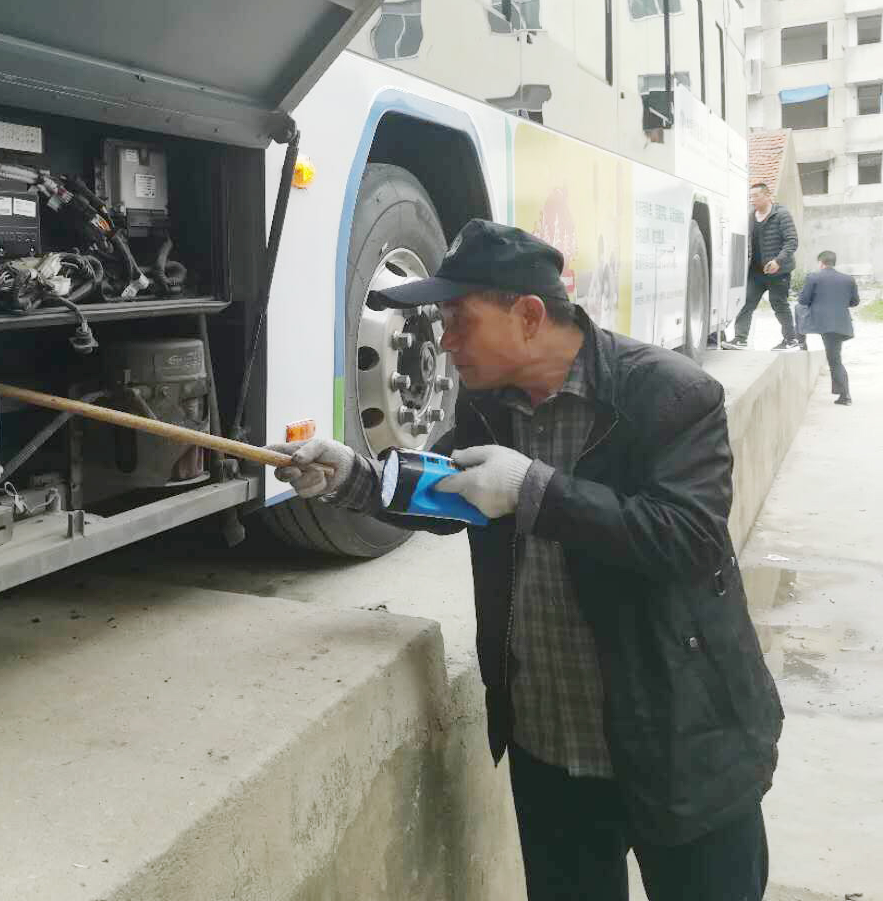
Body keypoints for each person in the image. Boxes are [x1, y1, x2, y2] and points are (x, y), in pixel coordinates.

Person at [270, 219, 783, 901]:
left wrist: (536, 492)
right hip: (551, 744)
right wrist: (354, 479)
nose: (444, 341)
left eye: (459, 319)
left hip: (681, 740)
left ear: (530, 315)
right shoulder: (489, 403)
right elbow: (450, 488)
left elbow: (690, 540)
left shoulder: (669, 394)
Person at [723, 182, 800, 351]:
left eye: (756, 196)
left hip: (778, 271)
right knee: (746, 303)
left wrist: (778, 261)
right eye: (750, 197)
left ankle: (791, 340)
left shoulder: (781, 214)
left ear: (767, 196)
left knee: (779, 304)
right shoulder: (750, 216)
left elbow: (792, 241)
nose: (752, 200)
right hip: (755, 272)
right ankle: (740, 339)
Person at [797, 250, 859, 405]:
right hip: (840, 324)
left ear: (821, 263)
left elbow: (803, 300)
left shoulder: (813, 277)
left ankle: (800, 342)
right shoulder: (849, 279)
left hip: (820, 322)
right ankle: (844, 395)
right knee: (835, 358)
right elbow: (855, 302)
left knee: (798, 309)